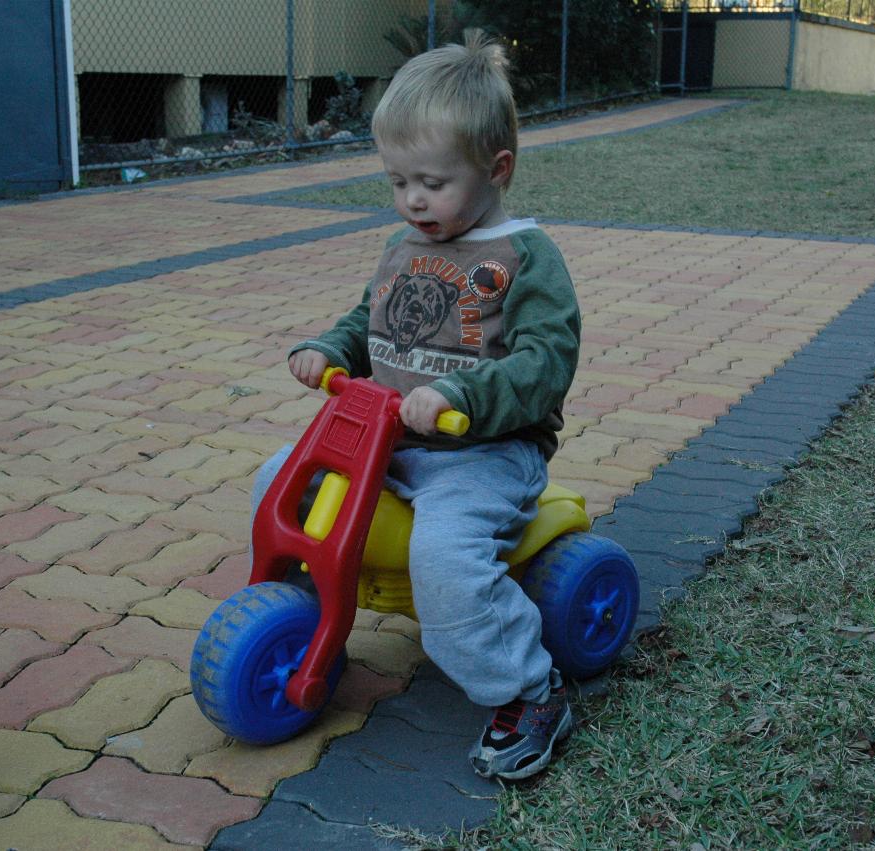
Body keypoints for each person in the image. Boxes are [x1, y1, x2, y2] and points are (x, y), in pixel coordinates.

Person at [253, 29, 580, 780]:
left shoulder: (526, 259)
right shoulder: (404, 245)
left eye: (432, 181)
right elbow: (370, 320)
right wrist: (332, 351)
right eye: (398, 181)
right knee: (280, 482)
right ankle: (304, 622)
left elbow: (545, 365)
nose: (413, 199)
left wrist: (460, 394)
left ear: (497, 169)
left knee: (444, 557)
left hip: (484, 452)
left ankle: (529, 690)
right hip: (387, 442)